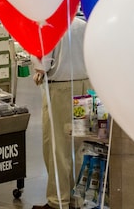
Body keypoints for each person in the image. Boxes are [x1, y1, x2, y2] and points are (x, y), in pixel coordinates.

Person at [31, 15, 90, 209]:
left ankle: (58, 201)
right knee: (79, 144)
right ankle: (77, 198)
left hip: (61, 91)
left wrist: (37, 71)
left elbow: (43, 64)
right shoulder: (84, 25)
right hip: (85, 89)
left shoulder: (50, 28)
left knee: (58, 147)